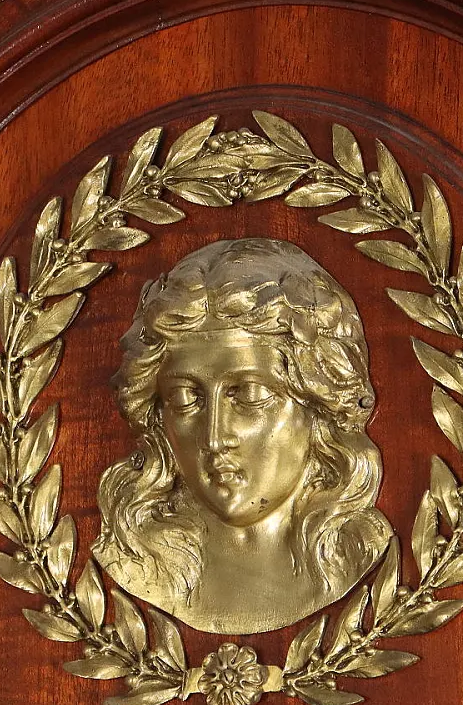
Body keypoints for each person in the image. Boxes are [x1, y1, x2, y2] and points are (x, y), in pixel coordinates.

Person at [93, 237, 391, 635]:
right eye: (185, 398)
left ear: (320, 406)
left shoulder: (360, 552)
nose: (214, 437)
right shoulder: (134, 561)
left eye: (250, 395)